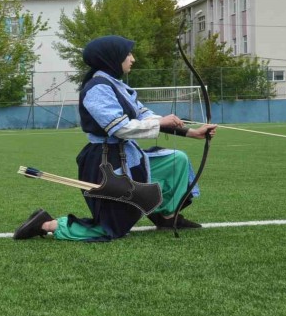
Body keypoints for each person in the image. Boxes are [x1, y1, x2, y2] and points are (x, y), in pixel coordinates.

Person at [14, 35, 216, 241]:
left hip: (128, 157)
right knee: (110, 228)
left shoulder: (116, 85)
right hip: (106, 164)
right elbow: (120, 128)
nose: (133, 58)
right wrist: (161, 122)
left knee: (176, 161)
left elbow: (145, 115)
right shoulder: (97, 88)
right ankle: (47, 223)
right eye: (128, 54)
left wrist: (191, 132)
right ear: (112, 57)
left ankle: (167, 217)